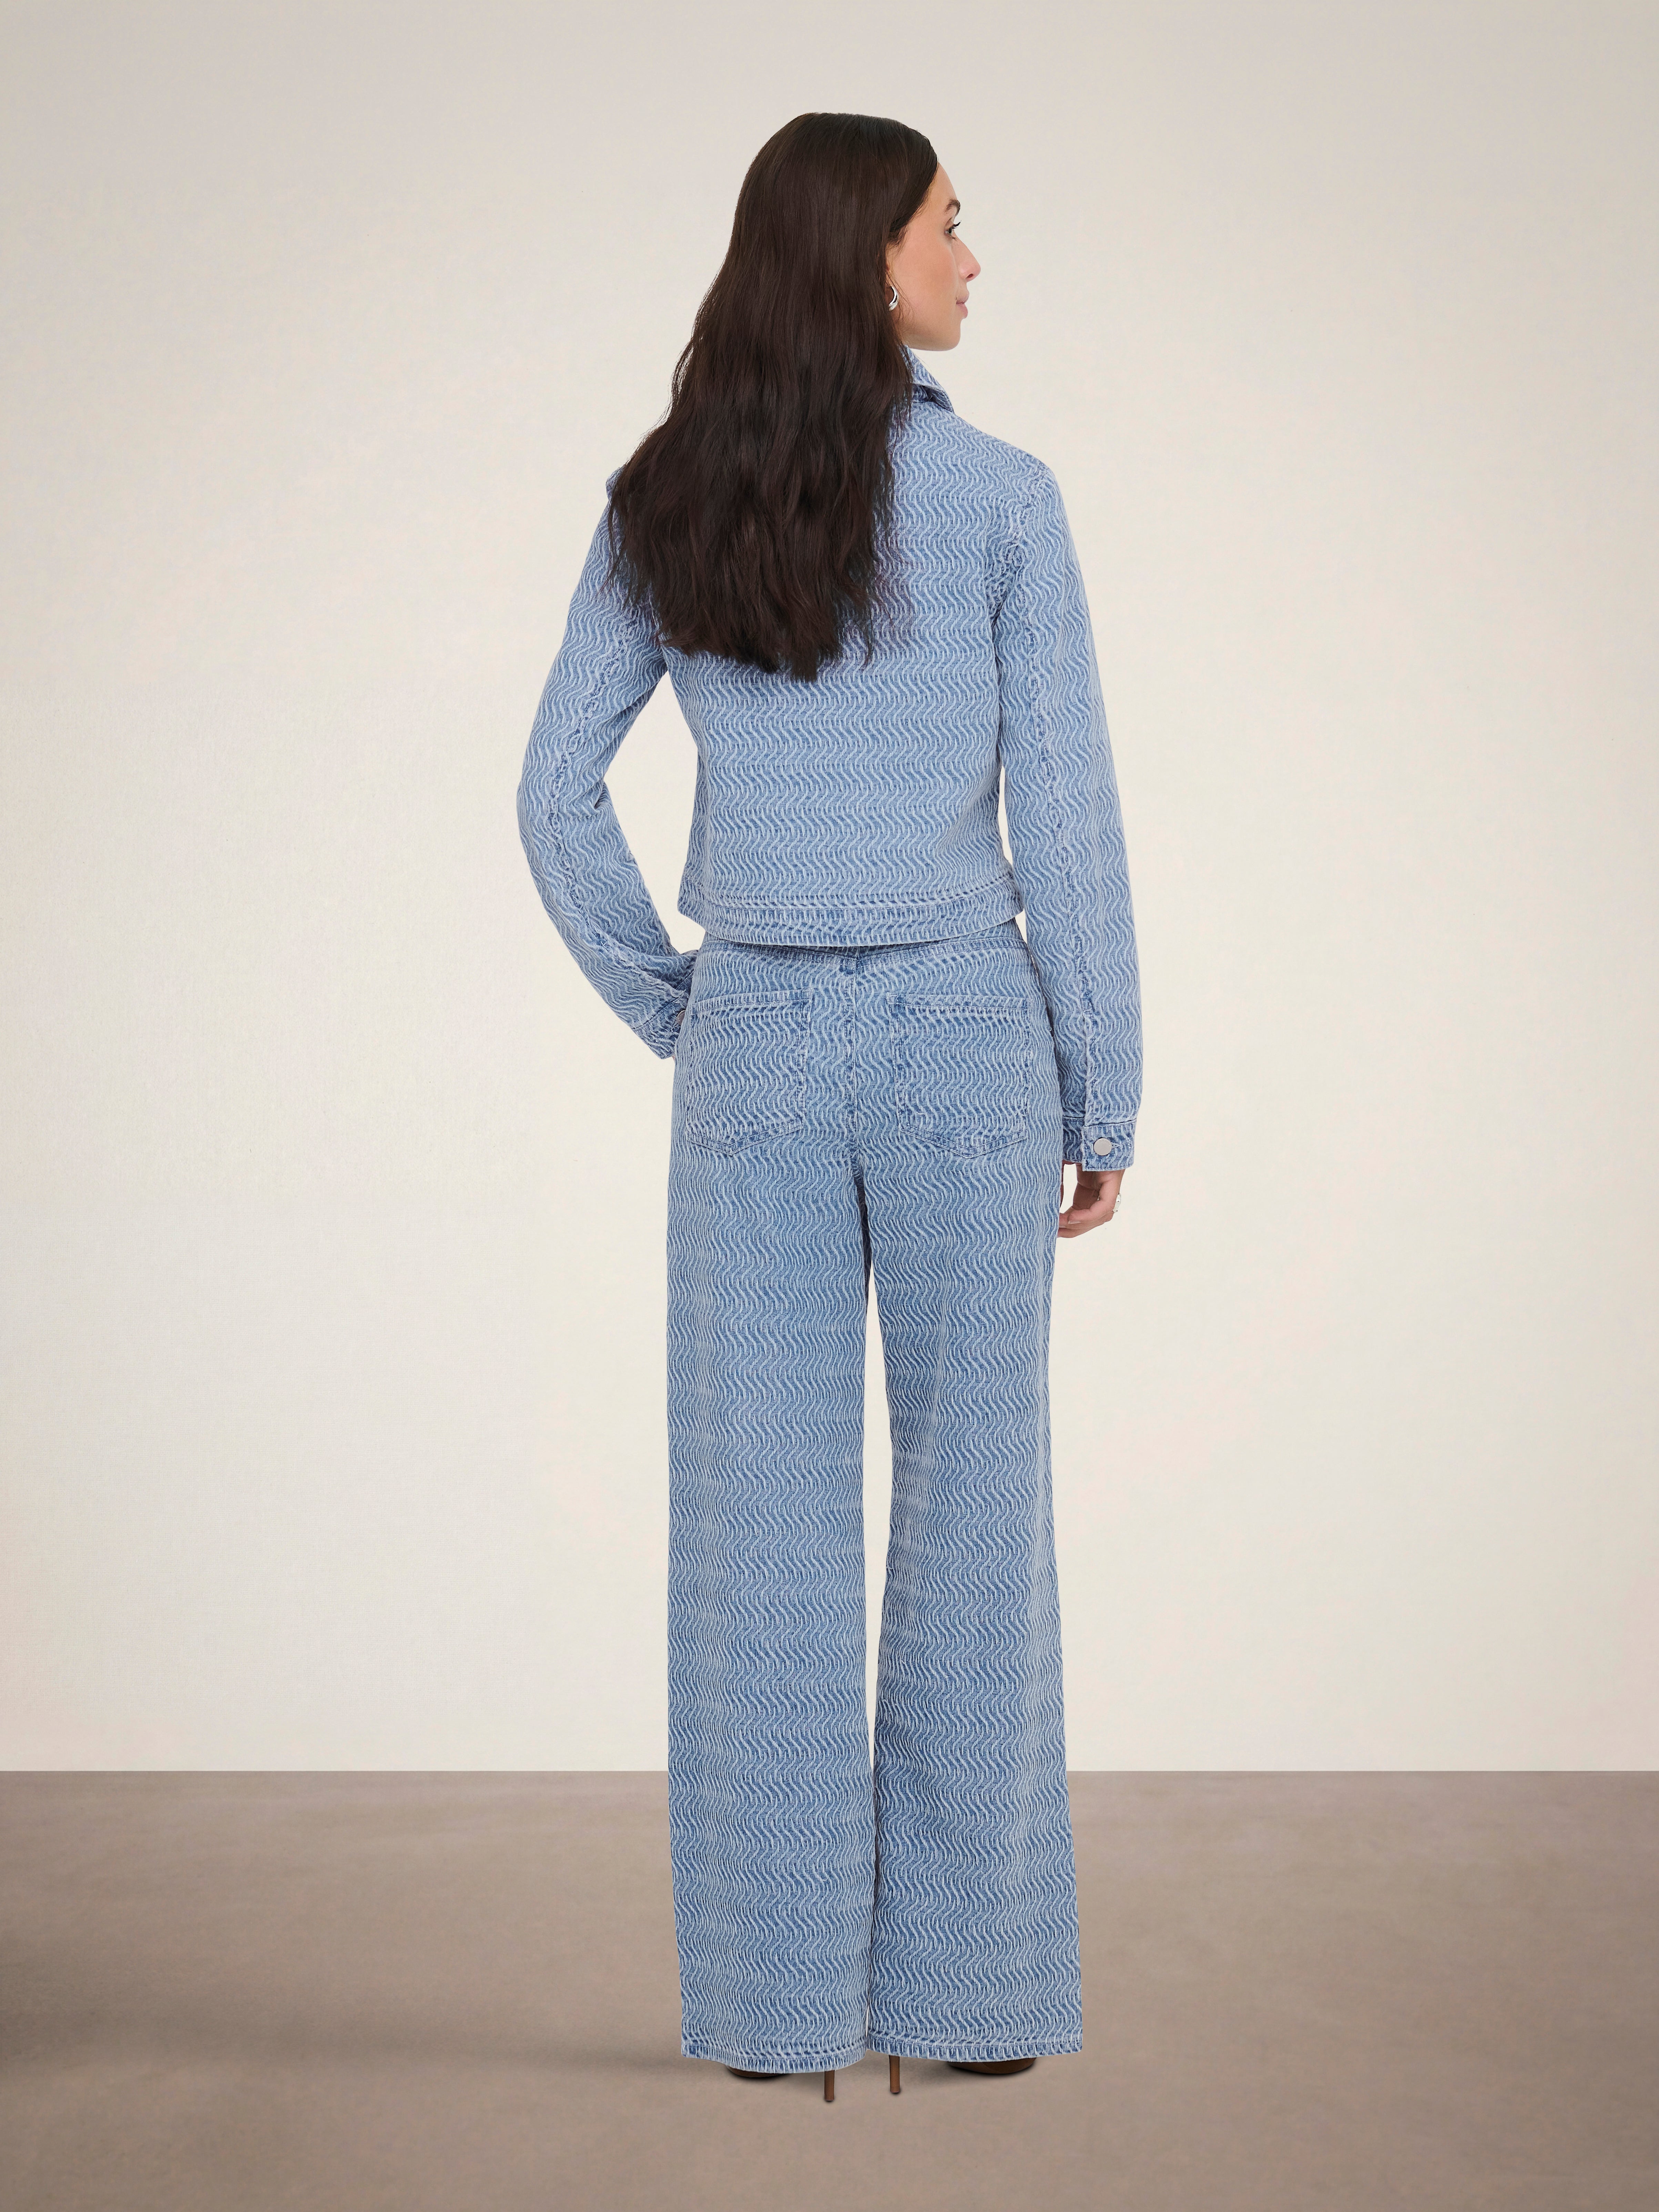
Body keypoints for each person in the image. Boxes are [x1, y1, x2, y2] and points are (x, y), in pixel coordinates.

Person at [517, 112, 1142, 2105]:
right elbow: (1070, 818)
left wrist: (678, 1002)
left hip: (759, 1042)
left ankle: (779, 2009)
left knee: (757, 1533)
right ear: (868, 253)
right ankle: (971, 1996)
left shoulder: (667, 496)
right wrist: (1107, 1077)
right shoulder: (1006, 501)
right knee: (979, 1514)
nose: (974, 256)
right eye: (951, 223)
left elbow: (552, 792)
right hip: (969, 1032)